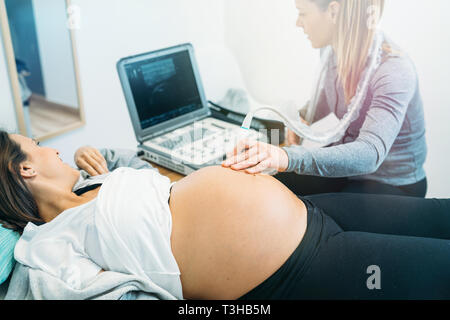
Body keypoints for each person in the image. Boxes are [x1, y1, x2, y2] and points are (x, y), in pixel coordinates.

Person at [0, 131, 449, 300]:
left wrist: (98, 154)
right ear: (25, 167)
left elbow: (143, 169)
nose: (53, 147)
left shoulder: (92, 182)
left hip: (312, 212)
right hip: (298, 268)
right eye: (39, 144)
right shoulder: (46, 248)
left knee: (440, 215)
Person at [222, 0, 428, 198]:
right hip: (351, 173)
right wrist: (303, 117)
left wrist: (286, 157)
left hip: (392, 185)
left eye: (302, 13)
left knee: (301, 213)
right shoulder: (331, 50)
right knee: (265, 185)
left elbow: (370, 152)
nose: (298, 23)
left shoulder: (393, 71)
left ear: (333, 12)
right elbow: (333, 98)